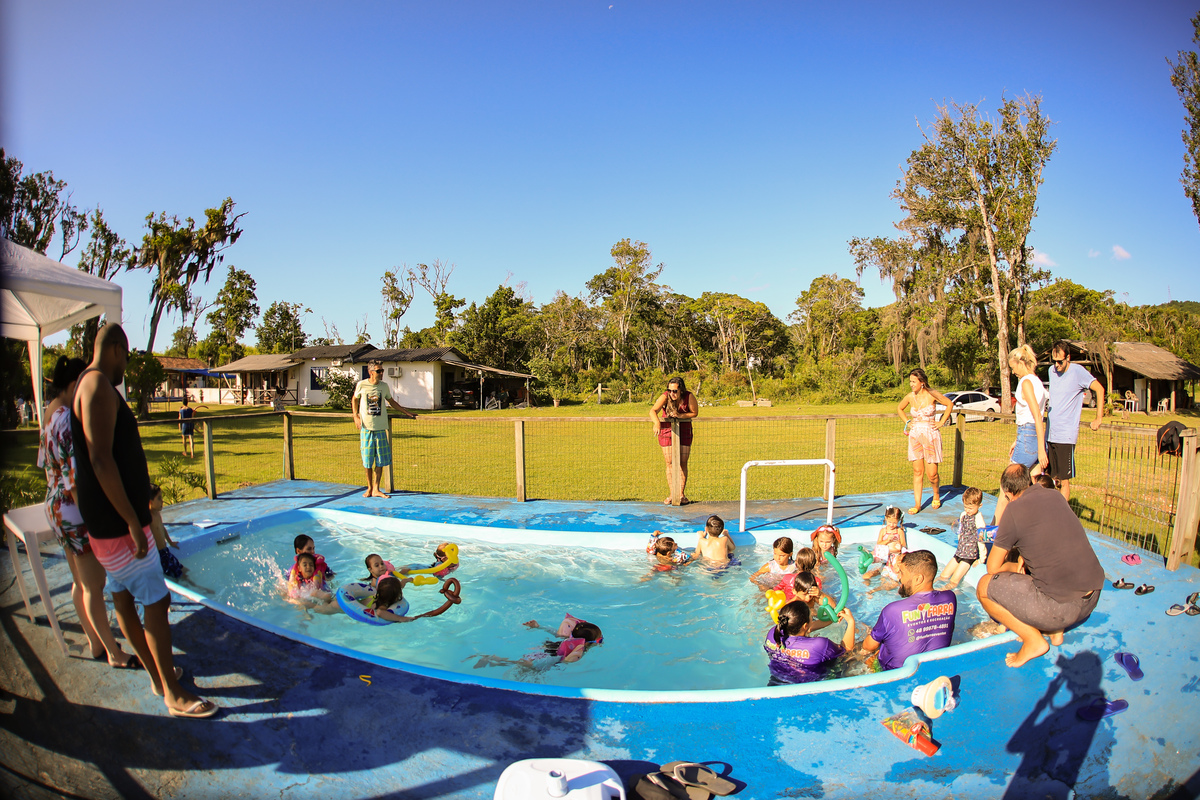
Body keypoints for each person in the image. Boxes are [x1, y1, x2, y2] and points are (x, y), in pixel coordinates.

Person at [71, 324, 217, 718]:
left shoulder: (86, 384)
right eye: (127, 356)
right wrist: (133, 521)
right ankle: (173, 693)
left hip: (106, 527)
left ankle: (158, 677)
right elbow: (100, 459)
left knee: (121, 594)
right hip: (119, 527)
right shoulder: (100, 386)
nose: (126, 367)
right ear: (116, 348)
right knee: (156, 601)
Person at [37, 355, 137, 669]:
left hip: (55, 508)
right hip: (75, 511)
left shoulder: (50, 415)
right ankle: (113, 652)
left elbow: (45, 466)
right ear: (73, 384)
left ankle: (95, 641)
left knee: (80, 582)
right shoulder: (67, 418)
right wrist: (93, 521)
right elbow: (74, 478)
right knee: (94, 585)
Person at [976, 464, 1104, 668]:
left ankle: (1033, 641)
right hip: (1091, 597)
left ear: (1008, 493)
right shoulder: (1054, 496)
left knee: (984, 587)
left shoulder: (1014, 510)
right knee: (1042, 571)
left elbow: (992, 567)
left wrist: (1012, 566)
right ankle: (1055, 631)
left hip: (1061, 609)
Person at [861, 550, 957, 671]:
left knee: (862, 645)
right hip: (935, 667)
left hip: (895, 672)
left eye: (902, 573)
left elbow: (869, 646)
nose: (899, 577)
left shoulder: (892, 610)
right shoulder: (949, 599)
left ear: (918, 579)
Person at [1046, 340, 1105, 503]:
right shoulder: (1051, 371)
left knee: (1064, 480)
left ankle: (1062, 516)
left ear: (1068, 358)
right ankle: (1050, 511)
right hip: (1051, 433)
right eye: (1054, 361)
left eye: (1060, 361)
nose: (1056, 365)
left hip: (1066, 435)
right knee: (1051, 478)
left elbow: (1100, 389)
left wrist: (1098, 417)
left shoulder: (1079, 372)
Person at [352, 359, 417, 499]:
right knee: (367, 460)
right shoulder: (361, 385)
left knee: (380, 460)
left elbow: (391, 401)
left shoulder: (384, 386)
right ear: (370, 372)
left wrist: (407, 412)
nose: (382, 373)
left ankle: (376, 488)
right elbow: (355, 399)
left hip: (381, 428)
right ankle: (369, 488)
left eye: (382, 371)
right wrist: (355, 416)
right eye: (378, 371)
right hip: (366, 428)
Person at [897, 368, 954, 514]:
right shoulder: (910, 397)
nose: (911, 384)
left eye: (913, 381)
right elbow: (900, 408)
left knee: (932, 474)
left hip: (930, 434)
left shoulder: (932, 394)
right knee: (917, 471)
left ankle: (936, 494)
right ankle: (917, 504)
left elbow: (949, 404)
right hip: (915, 435)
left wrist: (941, 422)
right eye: (910, 381)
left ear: (922, 382)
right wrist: (907, 422)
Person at [763, 600, 856, 685]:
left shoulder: (773, 633)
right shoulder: (819, 645)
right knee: (854, 654)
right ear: (805, 625)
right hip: (809, 688)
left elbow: (806, 628)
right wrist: (851, 622)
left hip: (776, 683)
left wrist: (833, 617)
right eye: (811, 617)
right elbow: (847, 649)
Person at [471, 613, 603, 670]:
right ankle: (494, 660)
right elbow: (555, 660)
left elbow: (555, 633)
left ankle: (493, 659)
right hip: (544, 659)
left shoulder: (568, 639)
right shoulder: (577, 651)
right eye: (599, 639)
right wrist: (534, 666)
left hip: (545, 647)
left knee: (517, 662)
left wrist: (539, 626)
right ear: (586, 643)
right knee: (520, 665)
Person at [648, 376, 699, 505]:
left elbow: (694, 412)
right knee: (669, 462)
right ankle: (672, 494)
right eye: (670, 390)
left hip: (684, 429)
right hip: (666, 431)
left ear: (681, 390)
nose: (672, 393)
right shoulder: (665, 397)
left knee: (683, 462)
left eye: (675, 391)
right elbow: (653, 411)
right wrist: (657, 423)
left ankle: (681, 494)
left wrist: (681, 416)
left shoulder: (689, 396)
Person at [936, 486, 985, 590]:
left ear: (980, 505)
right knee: (943, 575)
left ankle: (940, 592)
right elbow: (960, 531)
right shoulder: (963, 515)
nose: (967, 510)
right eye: (965, 507)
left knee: (953, 581)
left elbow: (981, 540)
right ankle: (930, 587)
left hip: (969, 555)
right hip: (960, 551)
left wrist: (981, 558)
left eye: (970, 508)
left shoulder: (978, 520)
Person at [148, 484, 186, 580]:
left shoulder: (157, 514)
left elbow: (162, 529)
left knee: (183, 570)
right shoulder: (148, 519)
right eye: (159, 498)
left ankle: (193, 586)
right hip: (159, 555)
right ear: (150, 502)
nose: (162, 501)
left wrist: (170, 542)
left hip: (165, 551)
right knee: (176, 576)